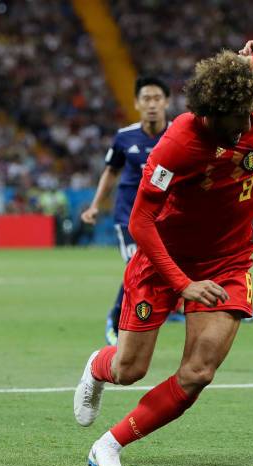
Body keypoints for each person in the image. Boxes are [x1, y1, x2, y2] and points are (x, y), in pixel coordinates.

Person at [73, 40, 253, 466]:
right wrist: (183, 284)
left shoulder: (250, 103)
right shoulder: (180, 139)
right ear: (212, 113)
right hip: (165, 258)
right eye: (239, 118)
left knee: (198, 373)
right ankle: (98, 366)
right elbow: (142, 222)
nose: (248, 124)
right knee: (130, 369)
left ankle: (108, 446)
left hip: (227, 261)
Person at [80, 76, 173, 346]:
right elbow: (111, 171)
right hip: (129, 217)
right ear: (136, 103)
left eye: (157, 98)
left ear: (166, 102)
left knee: (169, 265)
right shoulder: (124, 137)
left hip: (164, 217)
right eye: (146, 99)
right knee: (137, 265)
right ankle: (116, 317)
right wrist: (95, 206)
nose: (152, 104)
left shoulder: (178, 134)